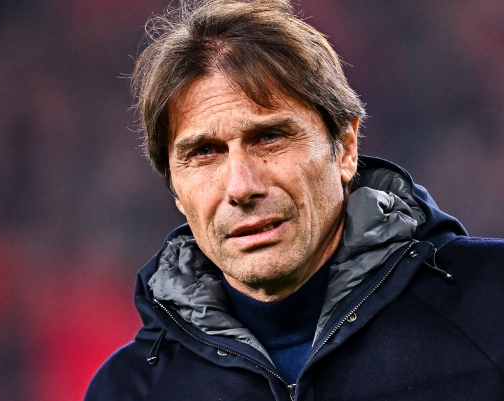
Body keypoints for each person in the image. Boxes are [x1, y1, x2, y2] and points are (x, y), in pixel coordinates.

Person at [85, 1, 504, 400]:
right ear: (175, 187)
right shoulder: (129, 389)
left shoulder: (491, 306)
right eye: (205, 152)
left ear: (345, 147)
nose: (241, 186)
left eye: (269, 138)